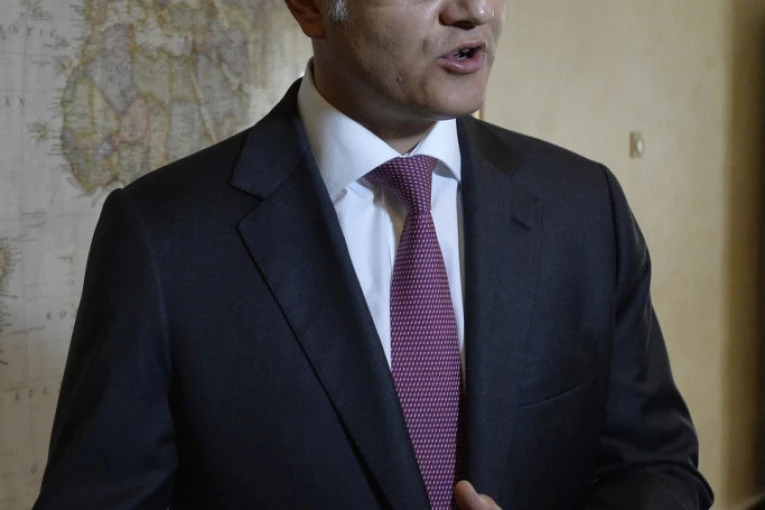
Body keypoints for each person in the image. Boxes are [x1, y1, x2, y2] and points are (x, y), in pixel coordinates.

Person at [33, 0, 713, 508]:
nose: (474, 11)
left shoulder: (583, 207)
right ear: (310, 8)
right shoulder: (162, 237)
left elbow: (657, 469)